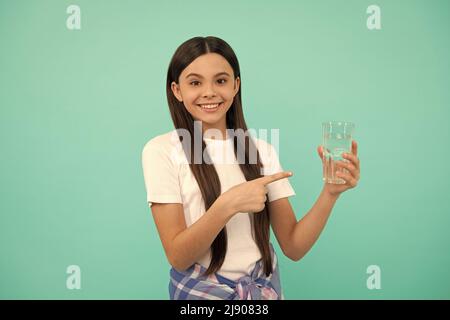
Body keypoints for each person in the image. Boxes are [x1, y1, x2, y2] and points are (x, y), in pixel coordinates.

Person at [141, 36, 361, 300]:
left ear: (236, 86)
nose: (209, 92)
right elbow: (178, 256)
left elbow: (293, 246)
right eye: (195, 82)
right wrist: (228, 204)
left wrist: (330, 193)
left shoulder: (262, 151)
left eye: (220, 81)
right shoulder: (161, 150)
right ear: (177, 90)